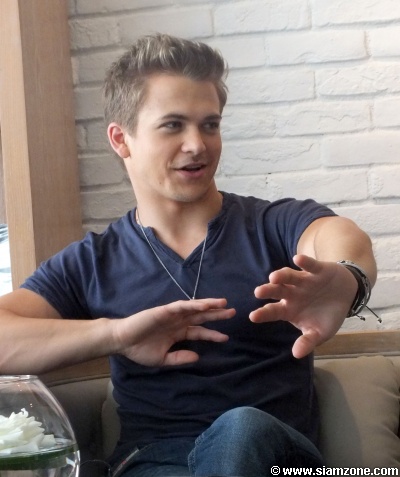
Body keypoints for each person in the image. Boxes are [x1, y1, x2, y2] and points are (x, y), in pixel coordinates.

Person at [0, 34, 377, 476]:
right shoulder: (92, 262)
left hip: (276, 458)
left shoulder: (273, 225)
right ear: (121, 139)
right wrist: (117, 334)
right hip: (154, 463)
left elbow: (337, 234)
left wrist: (347, 276)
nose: (198, 144)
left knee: (240, 428)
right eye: (173, 125)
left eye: (210, 125)